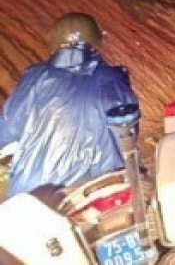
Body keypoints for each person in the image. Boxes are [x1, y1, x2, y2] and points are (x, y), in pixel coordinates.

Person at [0, 12, 138, 198]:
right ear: (95, 42)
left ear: (54, 43)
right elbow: (128, 131)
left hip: (36, 192)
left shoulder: (35, 77)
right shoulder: (113, 79)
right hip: (99, 189)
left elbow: (7, 129)